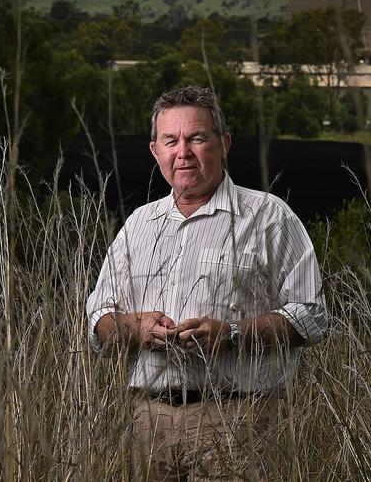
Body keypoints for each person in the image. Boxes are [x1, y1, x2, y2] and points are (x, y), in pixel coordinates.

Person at [86, 85, 327, 481]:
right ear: (155, 151)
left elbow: (312, 316)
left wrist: (233, 334)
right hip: (149, 420)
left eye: (196, 138)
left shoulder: (268, 217)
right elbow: (98, 319)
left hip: (238, 419)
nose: (183, 152)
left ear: (224, 143)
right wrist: (133, 328)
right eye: (171, 141)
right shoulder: (138, 226)